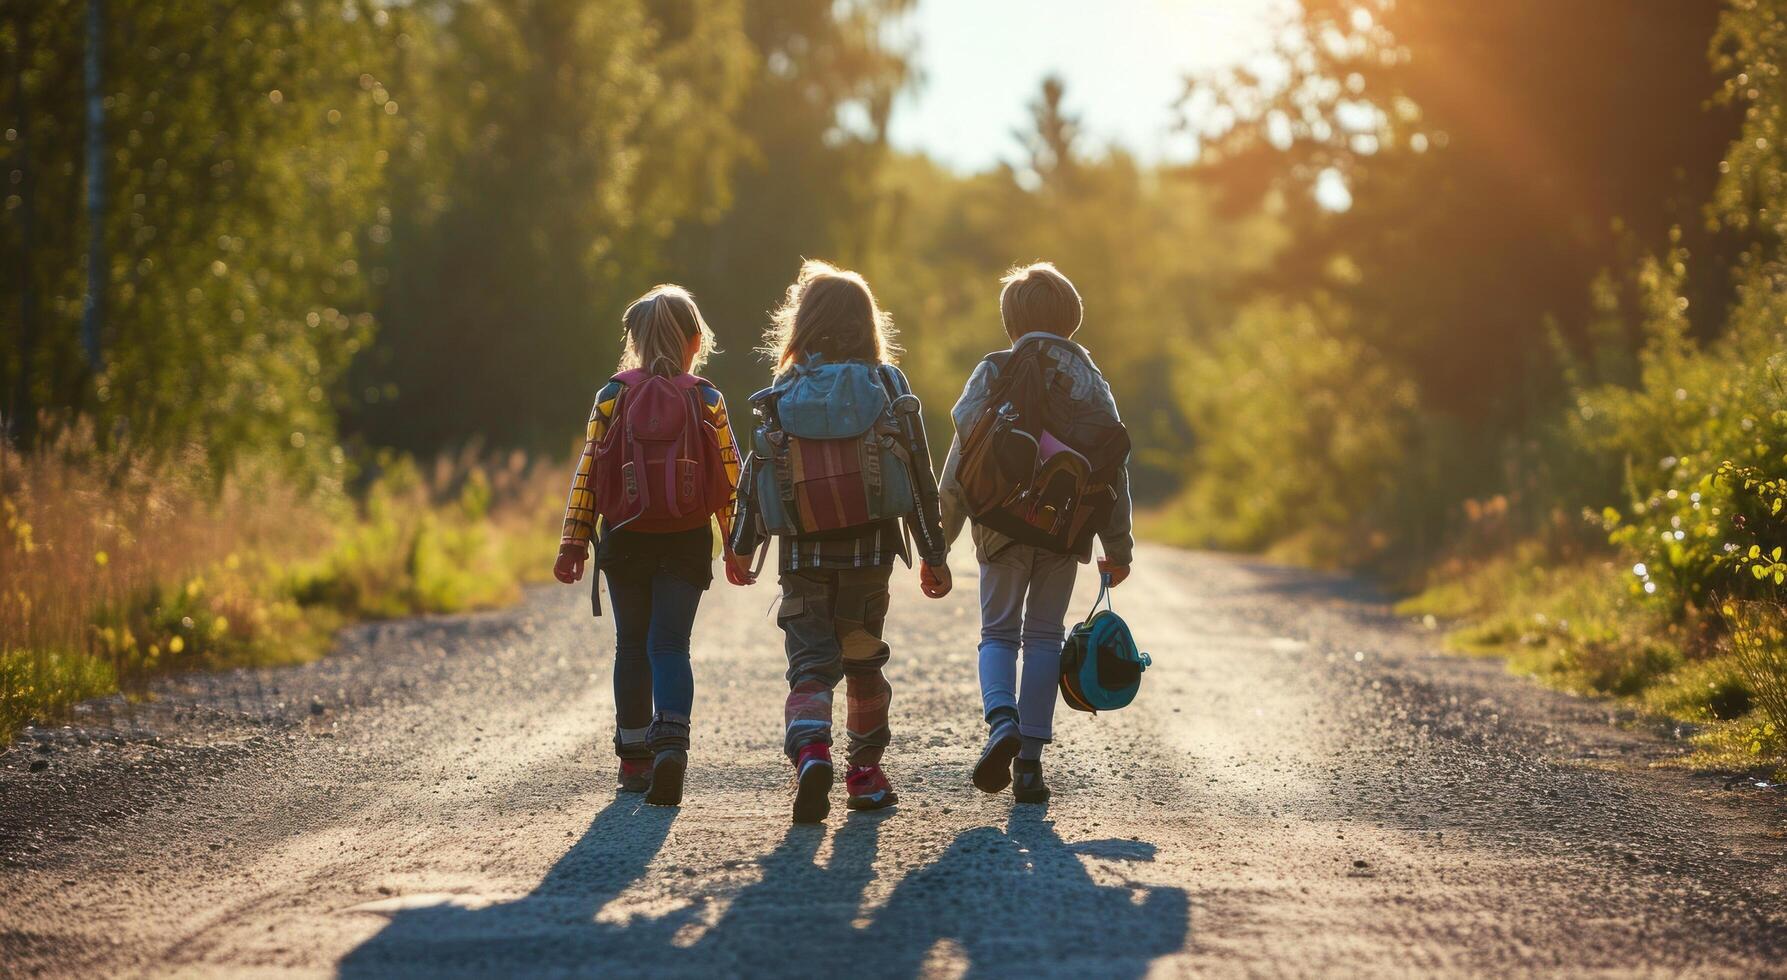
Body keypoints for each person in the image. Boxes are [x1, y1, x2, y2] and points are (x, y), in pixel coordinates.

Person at [731, 260, 951, 823]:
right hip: (871, 553)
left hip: (803, 555)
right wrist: (933, 552)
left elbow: (758, 476)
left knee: (808, 664)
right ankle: (865, 773)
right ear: (868, 323)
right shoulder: (888, 384)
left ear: (802, 323)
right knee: (862, 659)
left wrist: (740, 543)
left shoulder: (784, 388)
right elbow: (920, 472)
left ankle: (810, 752)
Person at [931, 261, 1134, 804]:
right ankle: (1030, 766)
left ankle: (1002, 723)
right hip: (1064, 531)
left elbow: (963, 459)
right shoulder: (1092, 382)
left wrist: (939, 542)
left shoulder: (996, 369)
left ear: (1009, 321)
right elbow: (1114, 466)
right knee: (1044, 636)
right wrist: (1118, 547)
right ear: (1072, 318)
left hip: (1000, 523)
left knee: (998, 632)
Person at [554, 284, 754, 807]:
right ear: (695, 340)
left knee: (630, 645)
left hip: (625, 536)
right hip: (686, 539)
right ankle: (673, 743)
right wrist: (736, 543)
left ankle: (635, 759)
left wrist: (573, 541)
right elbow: (730, 477)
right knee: (670, 644)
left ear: (635, 340)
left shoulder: (612, 395)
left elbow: (590, 472)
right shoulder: (707, 397)